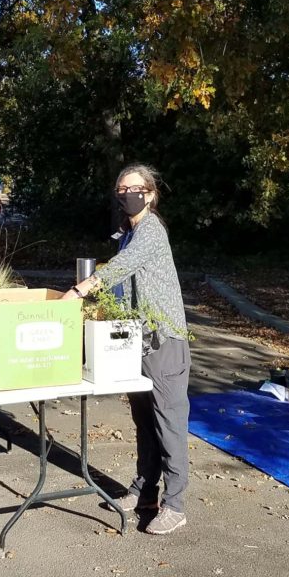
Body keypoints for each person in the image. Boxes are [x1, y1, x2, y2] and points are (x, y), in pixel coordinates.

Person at [64, 163, 191, 535]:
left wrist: (81, 290)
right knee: (145, 423)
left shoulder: (151, 230)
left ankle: (176, 505)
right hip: (135, 341)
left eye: (133, 189)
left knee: (169, 424)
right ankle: (144, 492)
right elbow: (124, 282)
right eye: (121, 189)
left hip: (164, 341)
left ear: (150, 194)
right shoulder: (128, 233)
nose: (126, 195)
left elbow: (123, 267)